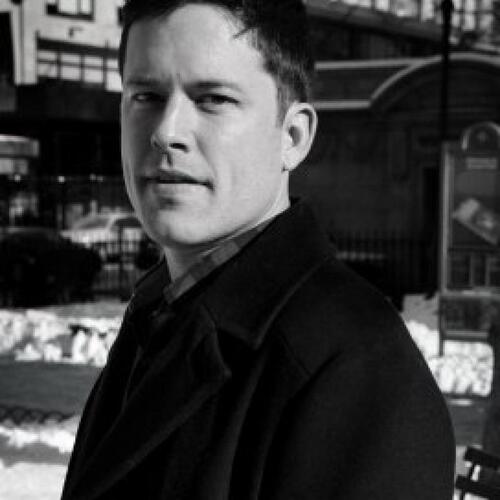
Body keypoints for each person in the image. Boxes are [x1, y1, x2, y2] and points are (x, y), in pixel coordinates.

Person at [61, 1, 456, 498]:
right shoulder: (159, 314)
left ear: (293, 136)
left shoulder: (356, 370)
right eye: (146, 96)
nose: (165, 132)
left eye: (213, 99)